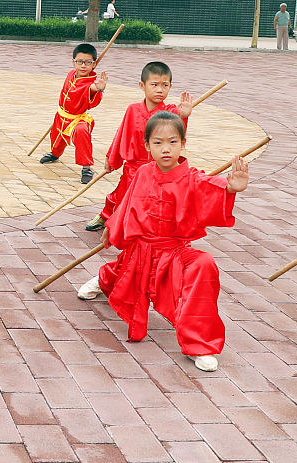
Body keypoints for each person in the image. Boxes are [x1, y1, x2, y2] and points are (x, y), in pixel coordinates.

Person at [77, 111, 249, 373]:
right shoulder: (144, 172)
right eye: (158, 143)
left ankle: (199, 345)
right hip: (141, 248)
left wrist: (230, 187)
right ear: (147, 145)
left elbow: (209, 185)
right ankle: (102, 280)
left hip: (173, 251)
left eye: (172, 142)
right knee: (123, 273)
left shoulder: (191, 177)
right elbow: (128, 202)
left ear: (182, 143)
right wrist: (112, 227)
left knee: (204, 264)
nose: (166, 149)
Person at [85, 62, 194, 231]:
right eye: (154, 85)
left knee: (151, 201)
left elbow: (176, 137)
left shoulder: (170, 112)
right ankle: (106, 216)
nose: (160, 90)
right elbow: (121, 134)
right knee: (120, 195)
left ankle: (140, 226)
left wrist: (184, 117)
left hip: (158, 168)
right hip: (134, 167)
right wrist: (112, 158)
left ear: (170, 86)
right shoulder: (133, 109)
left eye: (165, 85)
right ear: (142, 86)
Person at [39, 43, 106, 184]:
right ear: (73, 62)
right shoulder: (71, 74)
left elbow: (91, 90)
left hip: (76, 120)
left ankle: (86, 167)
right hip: (61, 115)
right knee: (57, 141)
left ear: (94, 64)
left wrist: (98, 88)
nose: (83, 66)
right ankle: (55, 154)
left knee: (82, 133)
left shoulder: (90, 83)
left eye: (88, 62)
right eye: (79, 61)